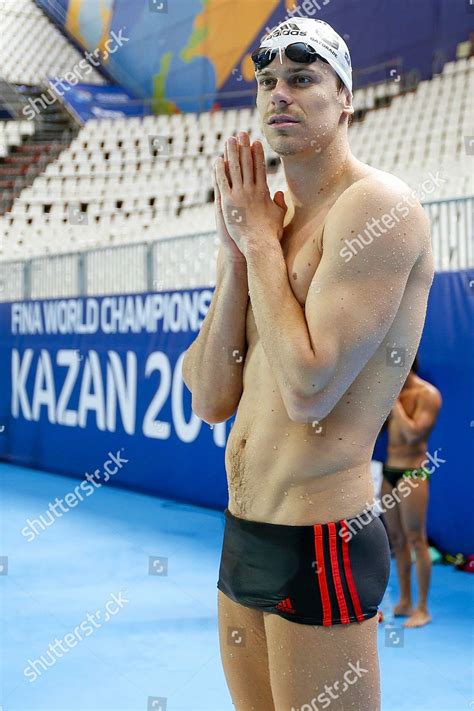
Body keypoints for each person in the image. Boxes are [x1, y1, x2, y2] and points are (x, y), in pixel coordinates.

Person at [182, 16, 434, 711]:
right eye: (266, 82)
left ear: (345, 97)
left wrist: (260, 246)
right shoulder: (266, 221)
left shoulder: (376, 206)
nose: (278, 95)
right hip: (244, 535)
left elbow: (309, 389)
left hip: (321, 540)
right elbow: (208, 396)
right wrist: (238, 251)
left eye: (301, 78)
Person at [382, 356, 442, 628]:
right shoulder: (390, 391)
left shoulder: (428, 394)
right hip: (389, 471)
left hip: (412, 474)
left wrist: (394, 405)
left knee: (417, 539)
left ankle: (423, 608)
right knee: (397, 539)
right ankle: (405, 600)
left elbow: (413, 435)